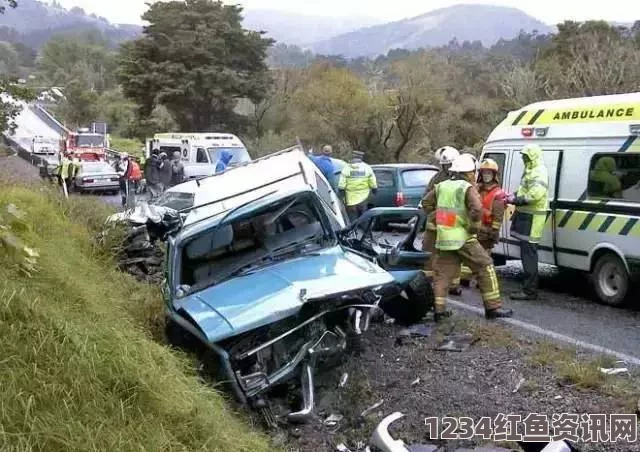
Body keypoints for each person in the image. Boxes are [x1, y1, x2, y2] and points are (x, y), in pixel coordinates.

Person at [423, 153, 513, 322]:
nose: (475, 175)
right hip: (464, 238)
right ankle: (493, 308)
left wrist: (440, 218)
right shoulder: (466, 187)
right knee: (485, 266)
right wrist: (473, 226)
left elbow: (426, 203)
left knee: (442, 275)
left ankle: (439, 311)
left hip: (444, 238)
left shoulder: (441, 186)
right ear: (469, 172)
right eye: (474, 171)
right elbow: (477, 209)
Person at [506, 144, 549, 301]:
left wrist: (516, 200)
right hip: (528, 218)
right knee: (527, 253)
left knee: (529, 255)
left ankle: (529, 291)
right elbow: (526, 190)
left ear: (533, 156)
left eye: (525, 156)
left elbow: (535, 195)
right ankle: (529, 288)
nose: (523, 158)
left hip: (532, 220)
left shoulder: (538, 171)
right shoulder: (531, 170)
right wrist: (513, 195)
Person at [421, 146, 464, 296]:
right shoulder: (437, 178)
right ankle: (428, 281)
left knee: (452, 253)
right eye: (444, 165)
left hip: (452, 224)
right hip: (436, 222)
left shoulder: (461, 179)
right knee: (429, 252)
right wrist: (432, 214)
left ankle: (453, 284)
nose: (446, 167)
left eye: (448, 164)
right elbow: (427, 197)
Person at [338, 150, 377, 222]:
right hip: (363, 197)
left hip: (350, 197)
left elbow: (341, 185)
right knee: (364, 216)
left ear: (353, 157)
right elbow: (373, 182)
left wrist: (341, 194)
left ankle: (353, 232)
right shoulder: (367, 167)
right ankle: (366, 232)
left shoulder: (347, 168)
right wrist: (374, 190)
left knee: (352, 217)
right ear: (361, 158)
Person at [477, 158, 507, 251]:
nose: (486, 175)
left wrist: (493, 231)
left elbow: (498, 216)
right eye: (484, 173)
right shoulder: (476, 189)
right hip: (475, 229)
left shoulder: (498, 193)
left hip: (487, 231)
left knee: (483, 258)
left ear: (494, 175)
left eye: (489, 173)